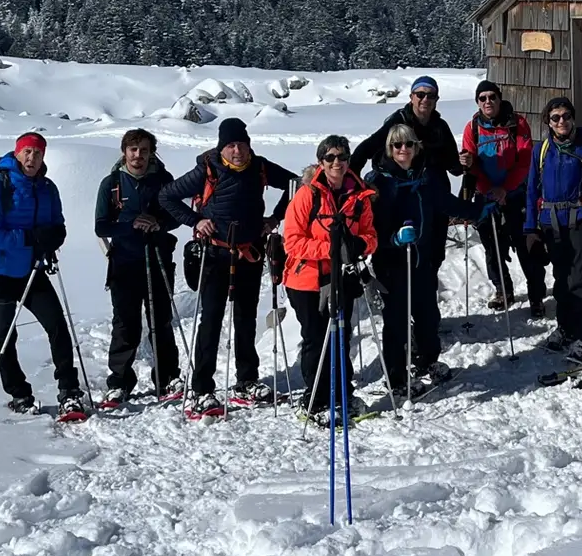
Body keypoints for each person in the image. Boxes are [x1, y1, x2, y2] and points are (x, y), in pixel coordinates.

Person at [159, 117, 299, 414]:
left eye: (242, 144)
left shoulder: (259, 167)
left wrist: (275, 218)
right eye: (231, 145)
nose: (237, 151)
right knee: (210, 321)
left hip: (249, 254)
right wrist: (197, 220)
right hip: (215, 255)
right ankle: (201, 388)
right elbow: (167, 195)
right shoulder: (207, 170)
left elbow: (294, 184)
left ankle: (246, 381)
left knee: (246, 319)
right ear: (222, 147)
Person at [0, 132, 85, 417]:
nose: (32, 158)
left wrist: (54, 237)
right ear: (17, 153)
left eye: (37, 153)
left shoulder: (47, 188)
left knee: (58, 327)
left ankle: (69, 392)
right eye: (27, 152)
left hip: (32, 271)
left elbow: (56, 224)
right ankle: (19, 394)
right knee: (5, 337)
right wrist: (30, 238)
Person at [283, 135, 379, 420]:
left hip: (343, 278)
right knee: (315, 338)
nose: (337, 163)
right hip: (307, 280)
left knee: (341, 336)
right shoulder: (307, 195)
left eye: (342, 157)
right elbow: (292, 242)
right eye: (330, 158)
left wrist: (360, 245)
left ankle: (342, 392)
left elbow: (370, 234)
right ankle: (316, 399)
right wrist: (332, 249)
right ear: (321, 162)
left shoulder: (359, 195)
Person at [369, 123, 464, 397]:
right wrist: (392, 239)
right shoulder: (379, 181)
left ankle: (429, 360)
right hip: (391, 262)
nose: (403, 149)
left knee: (427, 313)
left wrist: (480, 210)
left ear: (416, 146)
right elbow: (370, 227)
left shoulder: (426, 177)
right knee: (396, 319)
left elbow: (447, 203)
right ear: (389, 148)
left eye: (408, 144)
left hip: (422, 258)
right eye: (397, 145)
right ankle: (396, 377)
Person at [93, 128, 183, 406]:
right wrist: (129, 225)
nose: (138, 155)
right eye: (133, 150)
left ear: (151, 153)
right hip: (124, 263)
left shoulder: (164, 180)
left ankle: (167, 377)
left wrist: (158, 224)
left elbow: (176, 216)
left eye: (144, 150)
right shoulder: (112, 184)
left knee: (161, 321)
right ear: (124, 152)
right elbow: (100, 225)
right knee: (125, 324)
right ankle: (119, 381)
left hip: (157, 258)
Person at [523, 96, 582, 360]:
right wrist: (530, 228)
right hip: (550, 220)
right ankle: (566, 328)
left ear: (573, 118)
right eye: (555, 117)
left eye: (566, 116)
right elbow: (531, 189)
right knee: (561, 278)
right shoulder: (542, 150)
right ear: (548, 122)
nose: (561, 121)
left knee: (578, 278)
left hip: (578, 217)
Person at [458, 80, 543, 317]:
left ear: (499, 98)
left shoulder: (517, 123)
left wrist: (505, 189)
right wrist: (487, 189)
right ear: (477, 102)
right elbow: (472, 164)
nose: (488, 102)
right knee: (491, 246)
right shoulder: (472, 127)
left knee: (525, 245)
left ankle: (536, 295)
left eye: (492, 97)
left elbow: (525, 161)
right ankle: (502, 290)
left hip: (516, 193)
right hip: (486, 195)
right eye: (482, 98)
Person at [350, 75, 463, 178]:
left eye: (431, 95)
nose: (425, 99)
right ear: (411, 97)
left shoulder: (440, 127)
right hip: (393, 182)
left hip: (426, 184)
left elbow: (453, 165)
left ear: (436, 99)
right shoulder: (398, 121)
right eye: (420, 95)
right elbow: (366, 149)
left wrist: (464, 162)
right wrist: (352, 181)